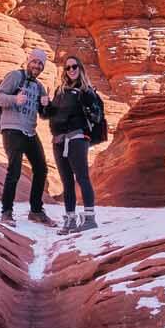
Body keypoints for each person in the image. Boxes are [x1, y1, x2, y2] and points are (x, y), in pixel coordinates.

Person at [0, 48, 56, 226]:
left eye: (40, 64)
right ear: (28, 62)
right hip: (12, 129)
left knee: (41, 169)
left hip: (30, 131)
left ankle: (35, 211)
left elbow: (44, 115)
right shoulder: (15, 76)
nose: (37, 66)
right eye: (35, 62)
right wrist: (14, 100)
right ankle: (6, 212)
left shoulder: (39, 87)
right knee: (14, 170)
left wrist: (46, 105)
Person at [44, 55, 101, 233]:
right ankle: (70, 220)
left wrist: (88, 105)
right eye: (68, 68)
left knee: (82, 177)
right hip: (59, 140)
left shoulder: (86, 91)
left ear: (80, 68)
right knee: (66, 182)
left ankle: (90, 219)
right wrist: (45, 106)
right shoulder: (60, 92)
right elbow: (48, 116)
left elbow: (96, 116)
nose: (71, 70)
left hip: (77, 138)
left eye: (74, 66)